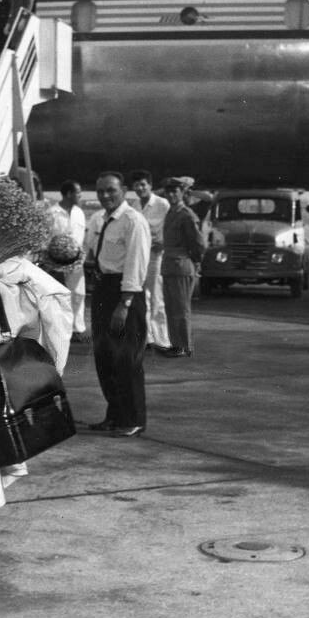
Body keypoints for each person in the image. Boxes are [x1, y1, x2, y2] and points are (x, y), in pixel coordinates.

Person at [83, 171, 150, 436]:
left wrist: (125, 303)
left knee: (126, 358)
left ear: (123, 190)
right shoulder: (99, 219)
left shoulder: (133, 221)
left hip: (125, 292)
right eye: (100, 191)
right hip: (103, 289)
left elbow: (136, 264)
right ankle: (115, 415)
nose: (105, 195)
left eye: (111, 190)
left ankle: (133, 419)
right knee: (105, 357)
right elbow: (90, 252)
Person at [158, 176, 206, 358]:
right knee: (171, 308)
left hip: (181, 266)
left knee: (181, 308)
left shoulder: (186, 215)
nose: (171, 195)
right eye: (168, 191)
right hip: (170, 266)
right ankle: (175, 344)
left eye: (174, 191)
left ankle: (184, 346)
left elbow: (199, 244)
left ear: (183, 192)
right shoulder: (171, 212)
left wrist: (194, 261)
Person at [130, 169, 170, 350]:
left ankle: (162, 339)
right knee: (141, 297)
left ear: (150, 185)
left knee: (156, 297)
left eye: (143, 184)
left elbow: (170, 227)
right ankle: (147, 338)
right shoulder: (134, 205)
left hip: (156, 256)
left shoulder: (162, 204)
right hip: (139, 256)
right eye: (136, 185)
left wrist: (163, 242)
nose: (140, 188)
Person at [45, 181, 88, 342]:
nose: (80, 196)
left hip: (76, 261)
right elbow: (45, 237)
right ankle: (60, 329)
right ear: (69, 194)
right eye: (78, 192)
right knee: (59, 295)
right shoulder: (52, 213)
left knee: (78, 293)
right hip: (56, 262)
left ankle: (77, 329)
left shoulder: (79, 212)